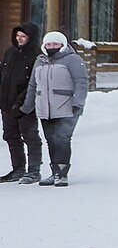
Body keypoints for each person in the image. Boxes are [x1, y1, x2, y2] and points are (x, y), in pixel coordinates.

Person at [23, 28, 87, 185]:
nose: (52, 46)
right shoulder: (40, 60)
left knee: (62, 139)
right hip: (45, 109)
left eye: (55, 44)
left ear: (63, 44)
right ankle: (54, 172)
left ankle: (62, 174)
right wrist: (27, 106)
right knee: (51, 140)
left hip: (66, 108)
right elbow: (32, 84)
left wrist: (77, 103)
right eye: (49, 44)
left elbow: (81, 82)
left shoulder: (72, 60)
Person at [1, 21, 42, 184]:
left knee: (30, 136)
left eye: (23, 36)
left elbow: (34, 82)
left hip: (26, 104)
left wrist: (22, 103)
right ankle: (18, 169)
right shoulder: (10, 52)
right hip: (6, 103)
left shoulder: (37, 55)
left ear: (31, 38)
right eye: (18, 36)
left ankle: (34, 170)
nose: (20, 39)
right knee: (11, 136)